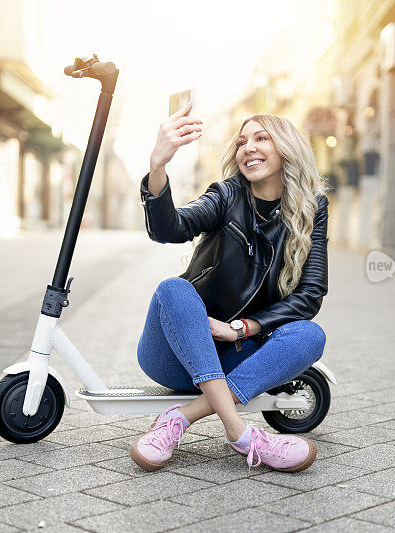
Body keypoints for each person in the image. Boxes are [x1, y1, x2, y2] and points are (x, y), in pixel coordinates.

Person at [131, 101, 329, 473]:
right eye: (241, 142)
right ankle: (240, 432)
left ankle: (179, 419)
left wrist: (240, 327)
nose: (248, 147)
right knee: (174, 289)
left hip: (239, 351)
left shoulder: (312, 207)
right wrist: (158, 166)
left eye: (261, 138)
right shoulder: (226, 195)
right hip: (176, 354)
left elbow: (311, 293)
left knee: (310, 335)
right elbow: (169, 229)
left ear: (287, 148)